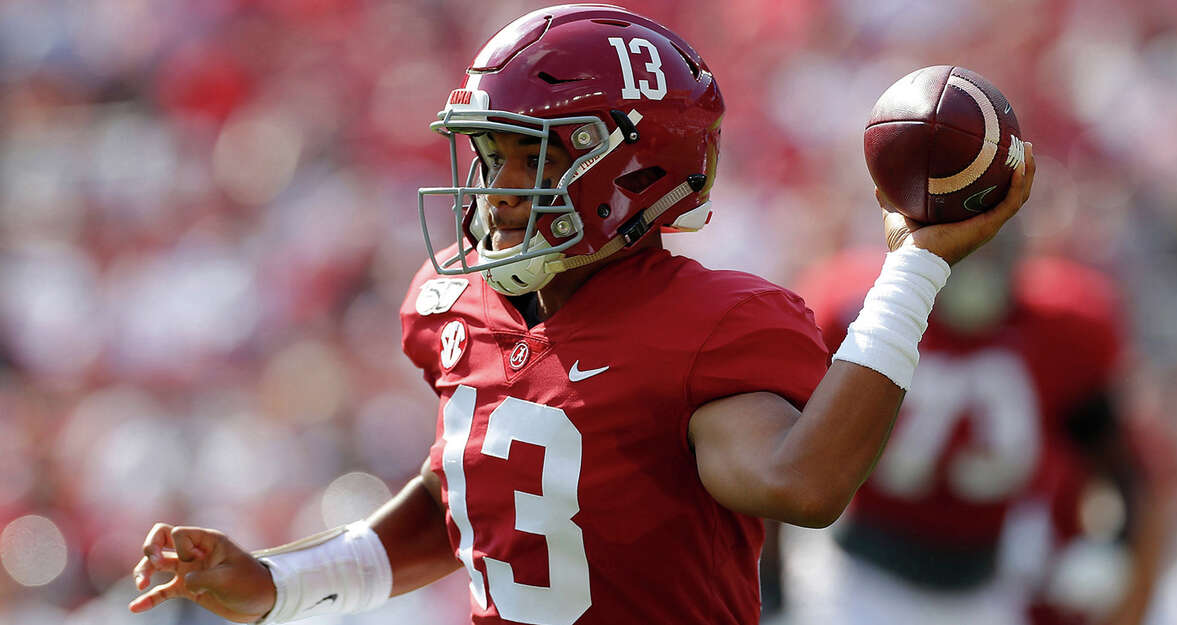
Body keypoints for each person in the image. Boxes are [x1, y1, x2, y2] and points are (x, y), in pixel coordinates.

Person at [128, 5, 1035, 624]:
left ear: (631, 166)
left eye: (529, 158)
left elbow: (804, 482)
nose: (494, 189)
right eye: (488, 154)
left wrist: (914, 266)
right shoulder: (461, 307)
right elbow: (473, 501)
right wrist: (280, 583)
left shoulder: (709, 324)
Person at [786, 225, 1165, 625]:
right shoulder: (855, 305)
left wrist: (1113, 547)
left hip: (986, 586)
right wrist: (772, 581)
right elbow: (788, 443)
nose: (979, 267)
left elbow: (1127, 472)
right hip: (855, 577)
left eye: (993, 245)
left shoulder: (1063, 329)